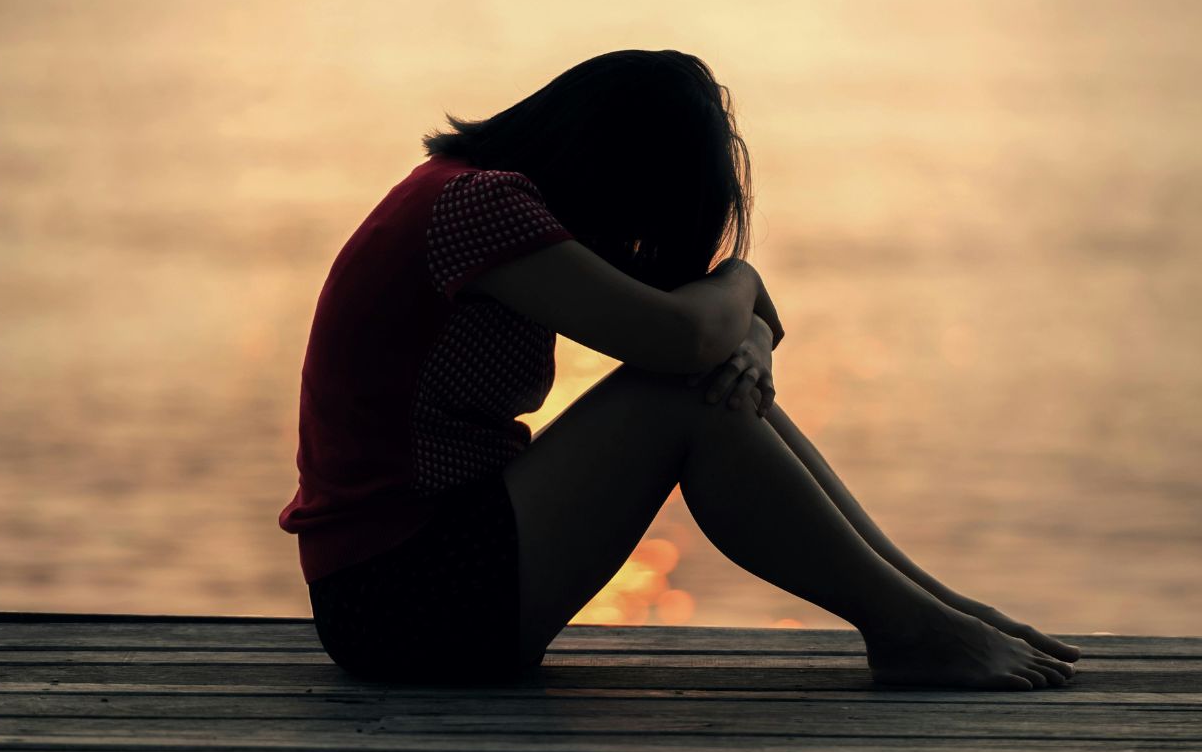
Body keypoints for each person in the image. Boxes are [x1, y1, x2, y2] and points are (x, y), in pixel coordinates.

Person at [279, 49, 1080, 689]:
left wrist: (751, 337)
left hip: (420, 588)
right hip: (401, 601)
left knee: (700, 386)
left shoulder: (475, 201)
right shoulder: (479, 207)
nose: (635, 239)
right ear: (612, 165)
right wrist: (742, 281)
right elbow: (684, 336)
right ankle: (915, 630)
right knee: (679, 395)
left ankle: (933, 611)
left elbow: (714, 334)